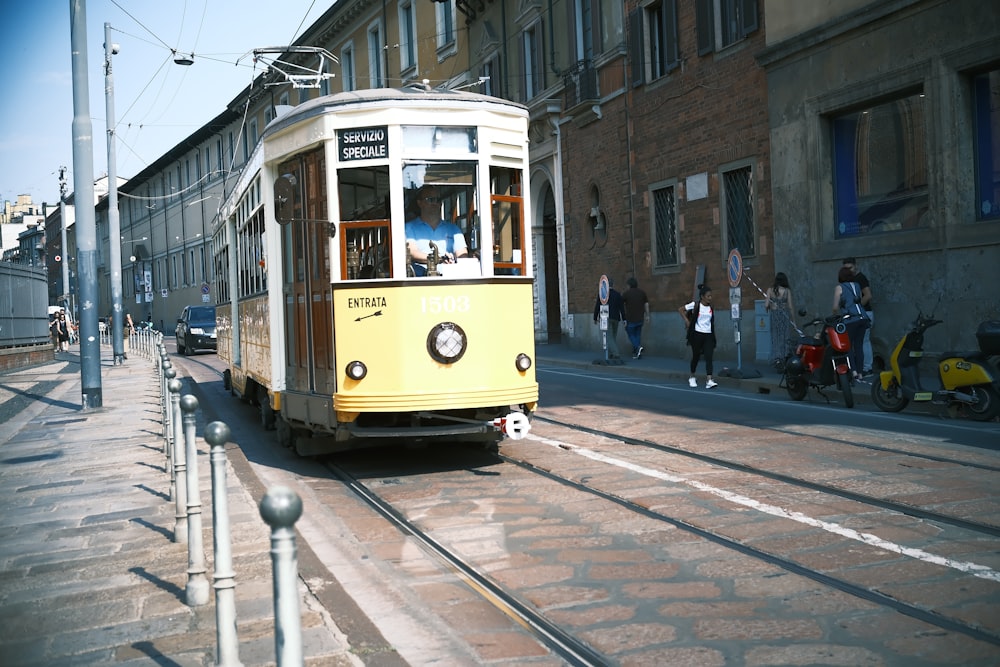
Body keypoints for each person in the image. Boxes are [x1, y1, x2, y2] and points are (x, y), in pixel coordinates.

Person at [405, 186, 468, 276]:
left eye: (438, 200)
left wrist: (455, 261)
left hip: (450, 278)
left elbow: (463, 255)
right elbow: (412, 252)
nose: (435, 203)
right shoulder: (409, 228)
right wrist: (440, 259)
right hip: (420, 279)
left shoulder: (454, 229)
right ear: (420, 203)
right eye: (430, 200)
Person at [833, 266, 870, 381]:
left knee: (848, 346)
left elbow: (835, 307)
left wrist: (836, 313)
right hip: (863, 318)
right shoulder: (857, 286)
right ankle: (860, 373)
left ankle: (853, 371)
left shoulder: (839, 288)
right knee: (859, 346)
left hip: (850, 319)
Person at [679, 284, 718, 388]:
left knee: (709, 356)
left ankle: (709, 380)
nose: (710, 298)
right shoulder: (696, 305)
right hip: (697, 334)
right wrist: (687, 320)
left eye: (711, 296)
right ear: (702, 297)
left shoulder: (711, 307)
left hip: (708, 334)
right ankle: (692, 377)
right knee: (696, 356)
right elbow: (681, 309)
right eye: (708, 296)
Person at [842, 257, 873, 374]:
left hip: (864, 314)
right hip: (860, 316)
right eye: (846, 268)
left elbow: (868, 295)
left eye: (850, 268)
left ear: (855, 266)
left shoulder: (860, 278)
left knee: (863, 341)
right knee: (860, 342)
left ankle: (867, 367)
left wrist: (858, 308)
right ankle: (864, 367)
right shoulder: (853, 280)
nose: (848, 270)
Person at [765, 272, 797, 370]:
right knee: (785, 336)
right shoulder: (787, 291)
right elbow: (790, 307)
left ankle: (777, 359)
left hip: (775, 316)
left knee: (776, 337)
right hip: (784, 316)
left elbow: (766, 305)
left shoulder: (770, 290)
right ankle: (784, 357)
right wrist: (794, 321)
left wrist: (770, 306)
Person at [593, 278, 626, 359]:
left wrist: (595, 317)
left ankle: (616, 353)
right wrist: (624, 319)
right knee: (613, 336)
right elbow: (622, 308)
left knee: (609, 337)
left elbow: (597, 306)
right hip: (616, 318)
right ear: (612, 284)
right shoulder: (617, 294)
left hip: (606, 317)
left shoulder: (602, 294)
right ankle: (611, 353)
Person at [622, 277, 650, 359]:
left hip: (630, 318)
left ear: (629, 285)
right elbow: (646, 304)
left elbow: (621, 304)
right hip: (640, 318)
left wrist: (623, 316)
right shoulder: (642, 293)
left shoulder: (626, 294)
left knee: (630, 334)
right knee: (637, 334)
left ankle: (637, 347)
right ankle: (637, 353)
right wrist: (647, 315)